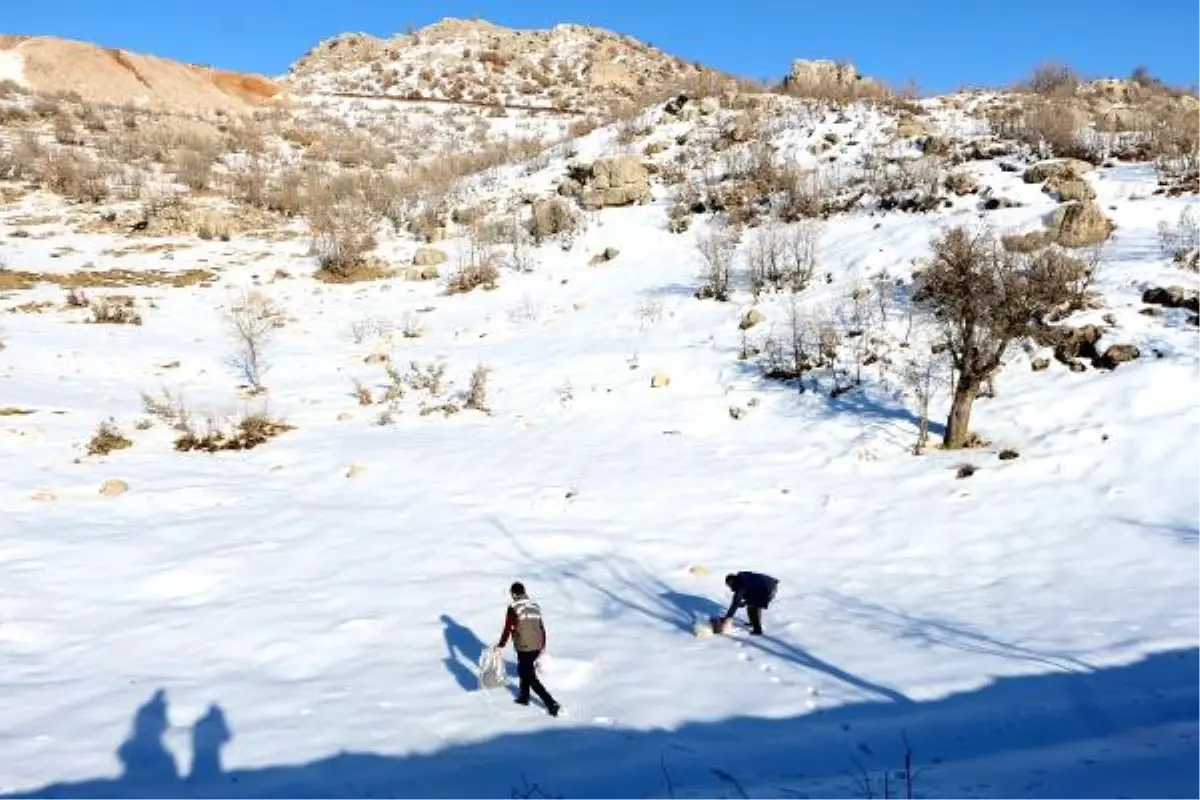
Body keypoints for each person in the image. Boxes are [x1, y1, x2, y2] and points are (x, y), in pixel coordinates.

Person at [494, 581, 560, 717]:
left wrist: (501, 645)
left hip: (525, 646)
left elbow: (508, 628)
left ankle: (551, 703)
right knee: (523, 670)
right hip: (536, 645)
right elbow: (542, 627)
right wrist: (542, 646)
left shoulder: (513, 607)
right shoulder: (535, 606)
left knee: (529, 676)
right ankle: (524, 697)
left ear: (514, 593)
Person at [717, 571, 779, 635]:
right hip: (769, 585)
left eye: (729, 585)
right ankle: (753, 623)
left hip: (767, 589)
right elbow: (750, 590)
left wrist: (728, 617)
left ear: (732, 581)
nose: (730, 587)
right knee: (752, 604)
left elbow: (735, 603)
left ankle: (757, 630)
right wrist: (744, 602)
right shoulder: (743, 578)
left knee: (753, 608)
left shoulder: (741, 584)